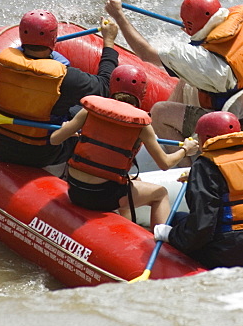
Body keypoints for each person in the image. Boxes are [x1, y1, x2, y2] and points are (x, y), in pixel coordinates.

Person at [0, 10, 120, 169]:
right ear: (53, 38)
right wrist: (109, 41)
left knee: (71, 108)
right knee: (84, 113)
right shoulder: (67, 78)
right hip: (44, 155)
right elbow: (106, 87)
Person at [49, 64, 199, 225]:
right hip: (104, 196)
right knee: (160, 194)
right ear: (141, 94)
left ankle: (125, 224)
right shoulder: (141, 125)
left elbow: (54, 139)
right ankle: (159, 239)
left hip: (75, 189)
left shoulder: (89, 111)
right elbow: (165, 163)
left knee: (133, 182)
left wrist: (68, 129)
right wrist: (185, 149)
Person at [104, 0, 243, 140]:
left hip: (231, 126)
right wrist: (198, 34)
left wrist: (118, 15)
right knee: (185, 78)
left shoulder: (193, 58)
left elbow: (146, 54)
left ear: (189, 24)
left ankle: (183, 164)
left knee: (159, 111)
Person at [152, 111, 243, 269]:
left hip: (230, 250)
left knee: (176, 219)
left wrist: (172, 236)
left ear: (205, 138)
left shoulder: (205, 165)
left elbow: (202, 225)